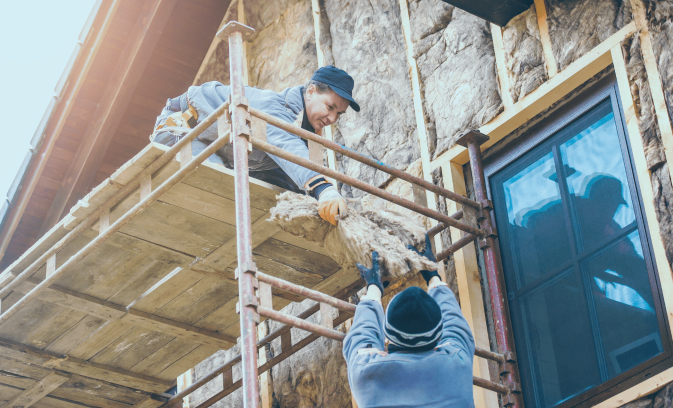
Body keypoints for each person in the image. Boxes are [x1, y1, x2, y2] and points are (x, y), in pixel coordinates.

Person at [150, 65, 360, 225]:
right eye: (330, 107)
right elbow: (285, 145)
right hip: (182, 128)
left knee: (279, 196)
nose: (332, 118)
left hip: (220, 149)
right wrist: (324, 189)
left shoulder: (308, 136)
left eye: (338, 114)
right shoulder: (276, 108)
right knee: (217, 187)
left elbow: (292, 177)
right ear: (311, 91)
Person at [343, 235, 475, 408]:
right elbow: (455, 324)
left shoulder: (364, 372)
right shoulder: (457, 363)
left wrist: (374, 286)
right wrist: (433, 275)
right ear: (438, 337)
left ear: (387, 337)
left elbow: (362, 335)